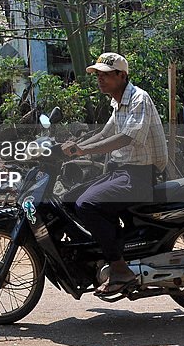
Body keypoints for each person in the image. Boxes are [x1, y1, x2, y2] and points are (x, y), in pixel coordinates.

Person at [61, 52, 168, 296]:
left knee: (87, 204)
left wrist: (84, 149)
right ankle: (104, 254)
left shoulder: (139, 99)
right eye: (98, 75)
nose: (100, 79)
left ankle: (120, 268)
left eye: (106, 75)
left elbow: (124, 138)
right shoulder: (117, 102)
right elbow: (105, 133)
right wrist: (74, 145)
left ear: (122, 75)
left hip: (141, 175)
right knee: (69, 199)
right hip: (122, 172)